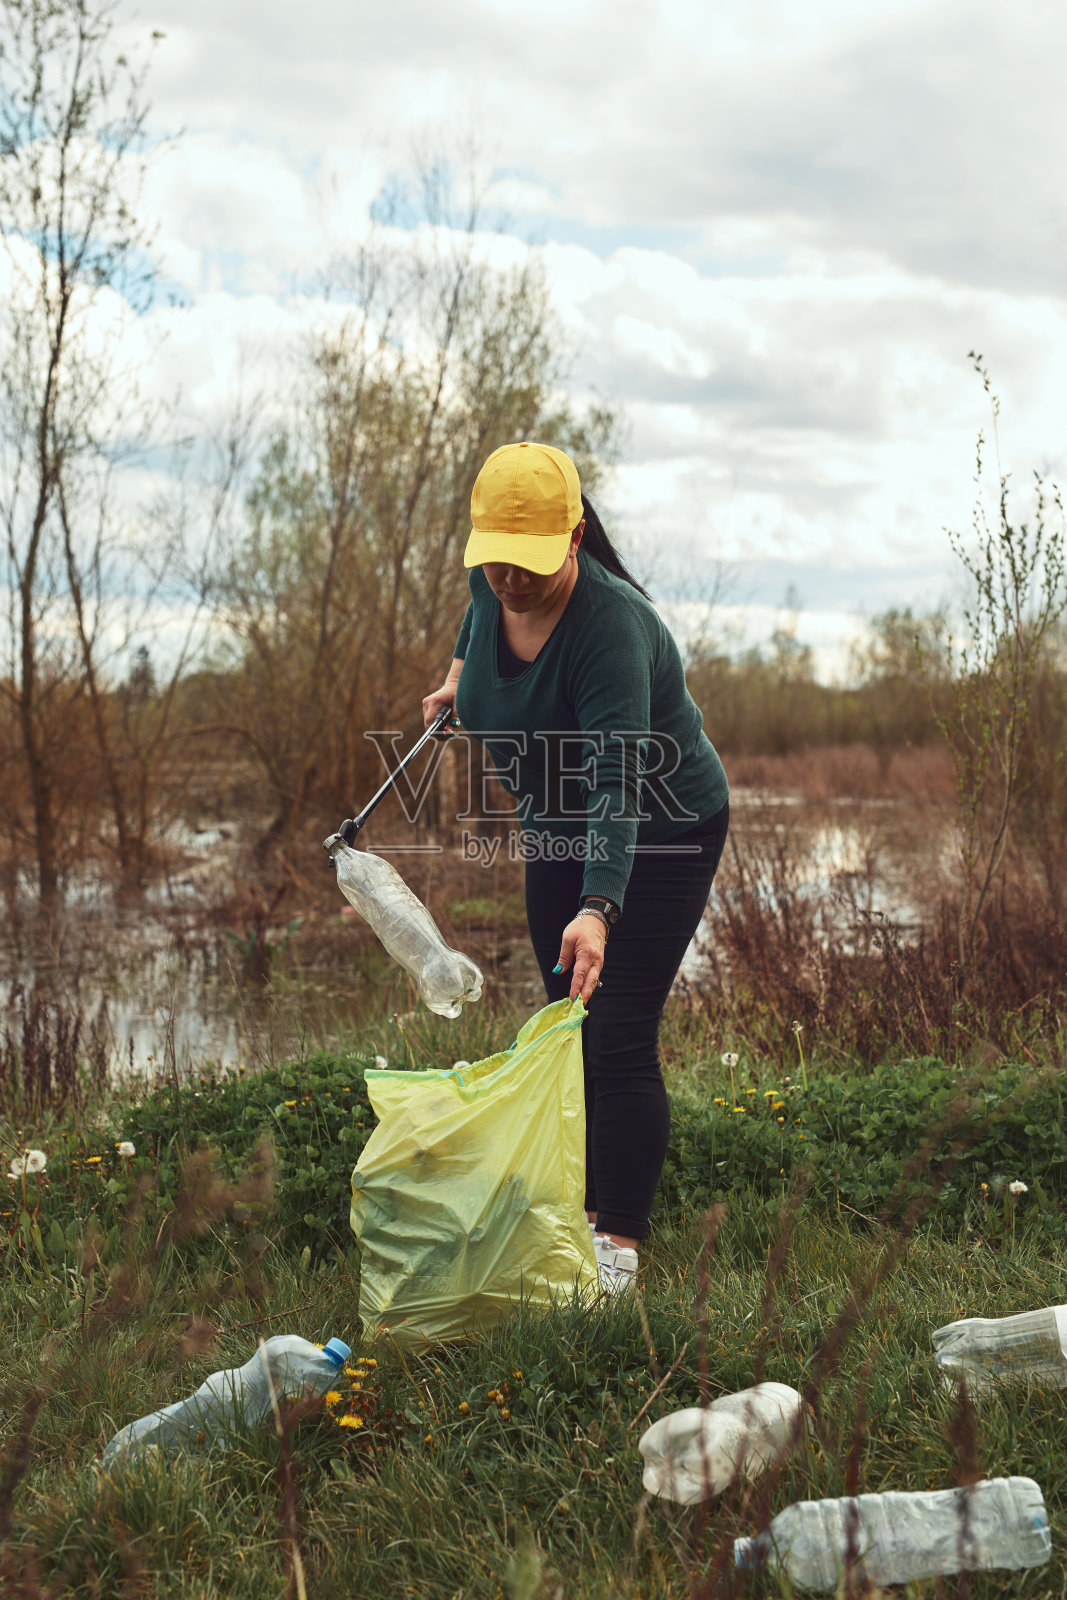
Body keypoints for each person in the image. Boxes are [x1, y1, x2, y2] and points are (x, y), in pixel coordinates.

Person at [423, 441, 729, 1293]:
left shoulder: (610, 628)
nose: (508, 581)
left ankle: (617, 1251)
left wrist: (599, 906)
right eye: (494, 562)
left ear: (573, 534)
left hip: (657, 831)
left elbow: (615, 783)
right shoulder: (493, 586)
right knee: (567, 1024)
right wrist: (458, 682)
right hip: (556, 826)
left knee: (616, 1031)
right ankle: (583, 1202)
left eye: (527, 563)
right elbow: (475, 619)